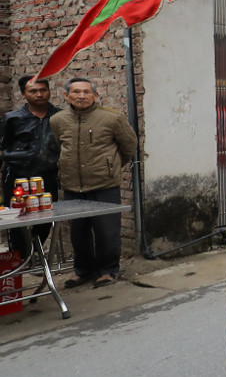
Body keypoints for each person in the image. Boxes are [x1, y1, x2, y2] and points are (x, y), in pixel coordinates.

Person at [49, 78, 137, 288]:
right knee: (78, 233)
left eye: (87, 92)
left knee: (107, 232)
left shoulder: (112, 119)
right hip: (72, 186)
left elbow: (129, 146)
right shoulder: (58, 120)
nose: (81, 96)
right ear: (66, 96)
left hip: (104, 185)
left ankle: (108, 270)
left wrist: (111, 166)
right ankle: (83, 270)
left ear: (95, 95)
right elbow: (57, 145)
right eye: (76, 92)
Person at [1, 76, 60, 259]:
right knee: (16, 219)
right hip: (17, 175)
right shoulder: (12, 119)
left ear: (49, 91)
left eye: (43, 90)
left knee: (46, 217)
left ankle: (34, 251)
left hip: (47, 175)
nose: (39, 94)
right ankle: (20, 258)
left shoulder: (60, 117)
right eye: (33, 91)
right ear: (23, 94)